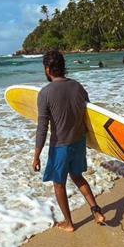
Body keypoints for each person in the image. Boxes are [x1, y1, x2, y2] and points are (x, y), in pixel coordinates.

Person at [34, 50, 105, 232]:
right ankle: (96, 212)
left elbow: (42, 128)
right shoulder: (77, 87)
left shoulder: (45, 93)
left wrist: (36, 155)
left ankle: (69, 223)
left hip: (60, 146)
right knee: (77, 176)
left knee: (59, 184)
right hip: (78, 142)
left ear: (48, 69)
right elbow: (89, 114)